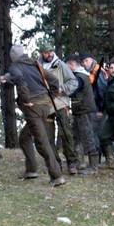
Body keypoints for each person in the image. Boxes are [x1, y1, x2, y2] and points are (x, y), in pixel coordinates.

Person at [0, 45, 65, 186]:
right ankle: (31, 170)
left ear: (13, 57)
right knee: (24, 137)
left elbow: (21, 82)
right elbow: (53, 80)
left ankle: (57, 176)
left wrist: (26, 100)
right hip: (44, 106)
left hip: (33, 108)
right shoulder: (34, 64)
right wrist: (50, 97)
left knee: (41, 143)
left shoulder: (15, 66)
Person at [38, 41, 80, 175]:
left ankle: (71, 162)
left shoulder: (61, 65)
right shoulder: (36, 66)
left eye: (50, 51)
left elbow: (73, 82)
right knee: (47, 136)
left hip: (61, 103)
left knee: (66, 133)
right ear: (41, 53)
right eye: (46, 52)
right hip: (45, 105)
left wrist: (61, 89)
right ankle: (55, 163)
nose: (49, 54)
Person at [66, 55, 99, 175]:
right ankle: (80, 162)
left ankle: (93, 166)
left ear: (72, 64)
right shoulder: (81, 75)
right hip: (80, 110)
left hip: (84, 110)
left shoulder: (79, 77)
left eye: (67, 66)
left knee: (88, 136)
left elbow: (72, 90)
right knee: (76, 136)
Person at [80, 52, 107, 158]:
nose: (84, 64)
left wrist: (100, 109)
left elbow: (101, 91)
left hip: (98, 107)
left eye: (86, 61)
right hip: (95, 106)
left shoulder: (98, 72)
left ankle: (99, 158)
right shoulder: (92, 72)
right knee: (97, 133)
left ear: (92, 59)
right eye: (82, 62)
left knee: (95, 133)